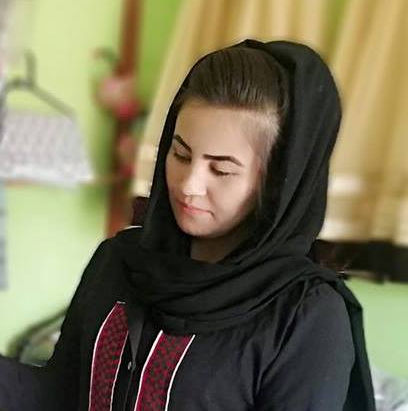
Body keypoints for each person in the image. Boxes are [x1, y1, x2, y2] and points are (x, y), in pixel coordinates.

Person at [0, 39, 376, 411]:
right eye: (180, 154)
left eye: (221, 169)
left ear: (276, 184)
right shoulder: (119, 260)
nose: (189, 185)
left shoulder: (304, 317)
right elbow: (60, 393)